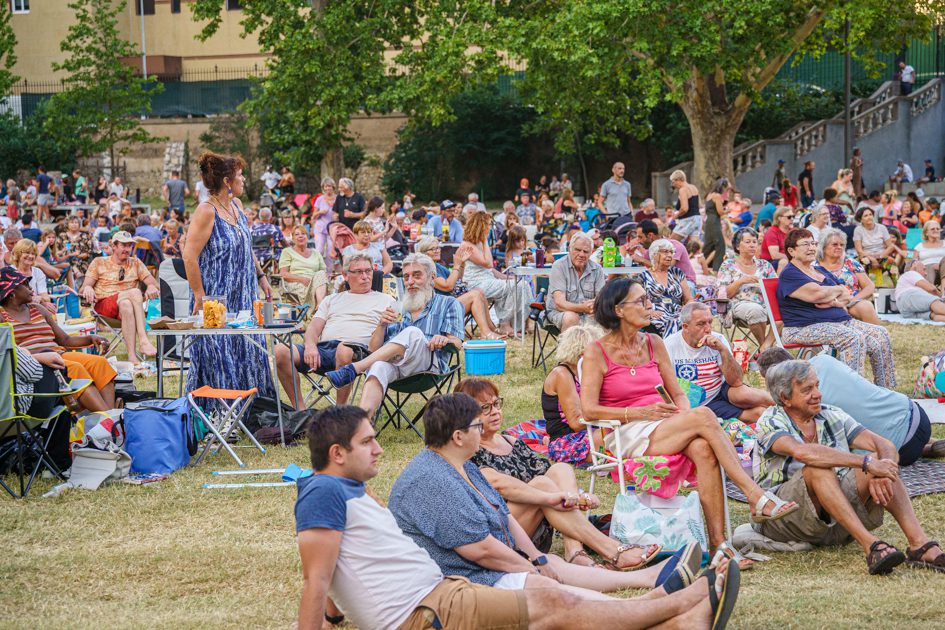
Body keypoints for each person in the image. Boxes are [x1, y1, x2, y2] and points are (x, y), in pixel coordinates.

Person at [295, 405, 734, 630]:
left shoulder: (348, 491)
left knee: (555, 605)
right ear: (338, 454)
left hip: (443, 593)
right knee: (553, 603)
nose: (379, 448)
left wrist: (336, 618)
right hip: (427, 610)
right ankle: (679, 605)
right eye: (368, 442)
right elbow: (316, 579)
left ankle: (669, 612)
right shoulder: (321, 492)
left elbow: (341, 570)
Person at [390, 393, 709, 601]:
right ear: (458, 436)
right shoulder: (431, 483)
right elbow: (483, 552)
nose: (484, 427)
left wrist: (539, 559)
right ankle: (648, 604)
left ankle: (648, 577)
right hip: (464, 584)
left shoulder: (458, 465)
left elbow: (503, 515)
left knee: (552, 563)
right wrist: (533, 569)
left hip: (487, 563)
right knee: (550, 591)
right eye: (477, 423)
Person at [581, 277, 798, 552]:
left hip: (663, 425)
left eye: (648, 300)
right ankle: (754, 495)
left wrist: (682, 412)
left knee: (703, 447)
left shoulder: (653, 343)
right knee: (705, 415)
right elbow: (587, 410)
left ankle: (719, 544)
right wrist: (638, 412)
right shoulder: (596, 352)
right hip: (624, 431)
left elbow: (679, 393)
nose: (650, 306)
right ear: (618, 310)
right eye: (642, 301)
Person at [753, 359, 945, 575]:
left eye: (817, 385)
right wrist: (867, 463)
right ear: (785, 398)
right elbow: (804, 453)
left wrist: (883, 469)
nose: (817, 393)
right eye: (807, 389)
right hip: (784, 518)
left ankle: (919, 545)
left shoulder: (830, 413)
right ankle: (870, 546)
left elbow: (884, 444)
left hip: (831, 514)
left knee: (879, 458)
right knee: (818, 466)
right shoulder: (769, 421)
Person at [456, 378, 664, 570]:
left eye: (496, 404)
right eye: (485, 408)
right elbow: (502, 486)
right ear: (466, 416)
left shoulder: (512, 441)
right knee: (541, 484)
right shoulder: (467, 452)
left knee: (560, 469)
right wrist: (564, 498)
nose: (494, 412)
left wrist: (577, 495)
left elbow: (553, 478)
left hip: (539, 526)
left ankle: (574, 550)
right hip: (502, 536)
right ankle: (611, 550)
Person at [182, 151, 275, 403]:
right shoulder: (206, 211)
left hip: (244, 291)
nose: (243, 180)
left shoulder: (237, 206)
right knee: (220, 355)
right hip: (217, 297)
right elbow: (189, 256)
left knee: (248, 348)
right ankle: (221, 411)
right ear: (226, 181)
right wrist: (199, 295)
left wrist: (261, 276)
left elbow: (247, 247)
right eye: (240, 175)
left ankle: (254, 407)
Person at [325, 254, 464, 417]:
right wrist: (381, 325)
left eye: (416, 275)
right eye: (406, 277)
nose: (410, 281)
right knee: (377, 366)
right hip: (398, 365)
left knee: (412, 332)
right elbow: (373, 349)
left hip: (429, 364)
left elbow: (457, 343)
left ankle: (355, 368)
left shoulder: (448, 303)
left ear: (432, 278)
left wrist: (445, 339)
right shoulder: (398, 306)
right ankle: (362, 423)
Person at [759, 348, 945, 466]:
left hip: (902, 449)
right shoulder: (824, 361)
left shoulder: (808, 401)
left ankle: (923, 448)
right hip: (914, 412)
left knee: (845, 441)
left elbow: (818, 450)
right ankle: (928, 443)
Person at [776, 228, 896, 387]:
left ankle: (885, 389)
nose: (811, 248)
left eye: (813, 243)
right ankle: (853, 391)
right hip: (802, 327)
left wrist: (833, 296)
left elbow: (846, 293)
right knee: (852, 337)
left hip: (839, 322)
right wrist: (834, 293)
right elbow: (816, 294)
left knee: (881, 334)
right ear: (791, 250)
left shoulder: (818, 269)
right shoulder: (790, 273)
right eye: (805, 244)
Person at [275, 253, 394, 408]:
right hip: (323, 350)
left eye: (368, 271)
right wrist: (311, 346)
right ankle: (300, 410)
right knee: (280, 351)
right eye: (358, 272)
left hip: (358, 352)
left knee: (343, 349)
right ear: (345, 275)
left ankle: (340, 411)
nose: (365, 276)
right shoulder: (332, 300)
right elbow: (313, 327)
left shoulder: (386, 300)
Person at [0, 267, 116, 411]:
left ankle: (111, 417)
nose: (31, 288)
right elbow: (10, 353)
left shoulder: (38, 309)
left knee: (100, 363)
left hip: (59, 354)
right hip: (36, 363)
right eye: (25, 284)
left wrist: (91, 338)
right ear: (11, 293)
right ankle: (109, 422)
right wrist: (37, 357)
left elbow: (65, 340)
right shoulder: (2, 316)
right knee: (74, 368)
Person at [665, 303, 774, 422]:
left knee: (743, 393)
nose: (708, 329)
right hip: (697, 403)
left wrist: (723, 350)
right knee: (760, 413)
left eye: (709, 322)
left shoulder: (719, 339)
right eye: (701, 324)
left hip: (721, 390)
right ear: (685, 327)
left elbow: (737, 381)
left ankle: (788, 405)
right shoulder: (669, 346)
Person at [81, 231, 159, 365]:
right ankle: (143, 340)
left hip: (128, 308)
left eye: (129, 246)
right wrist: (88, 288)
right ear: (114, 246)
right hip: (104, 307)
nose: (127, 249)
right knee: (135, 292)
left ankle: (132, 357)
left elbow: (154, 284)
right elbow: (84, 288)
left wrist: (152, 287)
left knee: (126, 304)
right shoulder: (99, 262)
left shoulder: (136, 263)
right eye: (124, 245)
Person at [414, 236, 503, 340]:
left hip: (448, 304)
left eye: (438, 248)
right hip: (438, 311)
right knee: (475, 295)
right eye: (433, 249)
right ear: (424, 253)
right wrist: (456, 264)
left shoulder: (438, 266)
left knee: (479, 291)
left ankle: (492, 329)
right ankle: (486, 333)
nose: (437, 251)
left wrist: (462, 264)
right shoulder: (426, 270)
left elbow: (456, 278)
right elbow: (448, 286)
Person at [460, 212, 531, 337]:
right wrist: (484, 240)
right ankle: (504, 324)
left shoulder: (479, 243)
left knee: (520, 284)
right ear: (480, 226)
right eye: (487, 225)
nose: (489, 227)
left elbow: (490, 271)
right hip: (475, 284)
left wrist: (507, 277)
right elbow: (488, 264)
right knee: (515, 287)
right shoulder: (467, 245)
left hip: (487, 280)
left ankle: (515, 325)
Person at [543, 324, 605, 466]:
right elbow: (576, 423)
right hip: (567, 440)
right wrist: (613, 412)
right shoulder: (562, 374)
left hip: (590, 430)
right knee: (613, 436)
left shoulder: (586, 372)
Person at [717, 228, 777, 351]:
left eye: (755, 242)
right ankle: (765, 350)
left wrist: (765, 285)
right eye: (748, 242)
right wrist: (741, 281)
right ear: (738, 246)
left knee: (786, 310)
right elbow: (723, 294)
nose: (752, 245)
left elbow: (776, 286)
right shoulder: (728, 265)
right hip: (738, 304)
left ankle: (766, 346)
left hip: (765, 304)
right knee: (755, 310)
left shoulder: (765, 265)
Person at [816, 228, 880, 325]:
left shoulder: (851, 263)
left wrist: (851, 300)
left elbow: (869, 286)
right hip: (826, 303)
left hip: (852, 302)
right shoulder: (813, 266)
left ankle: (878, 338)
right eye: (834, 244)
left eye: (842, 245)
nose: (839, 247)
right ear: (823, 247)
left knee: (866, 306)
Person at [544, 232, 605, 332]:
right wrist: (583, 308)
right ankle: (568, 348)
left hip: (588, 313)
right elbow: (559, 304)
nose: (581, 254)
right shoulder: (559, 266)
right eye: (577, 250)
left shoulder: (597, 269)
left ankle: (594, 347)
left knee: (607, 319)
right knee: (571, 318)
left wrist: (594, 305)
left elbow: (601, 299)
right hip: (559, 312)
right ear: (570, 249)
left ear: (591, 253)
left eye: (585, 251)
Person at [640, 239, 692, 337]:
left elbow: (689, 299)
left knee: (683, 321)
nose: (670, 255)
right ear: (655, 254)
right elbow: (639, 300)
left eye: (671, 252)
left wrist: (686, 308)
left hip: (677, 312)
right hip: (656, 313)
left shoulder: (677, 273)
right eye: (665, 252)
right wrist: (650, 311)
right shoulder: (644, 276)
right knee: (667, 321)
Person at [279, 225, 328, 311]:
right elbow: (284, 274)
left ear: (307, 237)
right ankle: (321, 307)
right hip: (296, 283)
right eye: (297, 234)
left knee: (321, 275)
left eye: (303, 233)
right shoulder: (287, 252)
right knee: (320, 286)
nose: (300, 236)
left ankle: (320, 305)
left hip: (316, 283)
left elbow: (323, 272)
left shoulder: (316, 253)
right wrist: (302, 279)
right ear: (293, 238)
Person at [853, 207, 899, 281]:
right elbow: (859, 250)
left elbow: (890, 246)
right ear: (861, 219)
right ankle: (866, 288)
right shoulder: (858, 230)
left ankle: (896, 288)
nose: (869, 217)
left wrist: (880, 256)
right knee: (861, 263)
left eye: (870, 214)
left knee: (891, 262)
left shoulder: (882, 228)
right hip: (866, 256)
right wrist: (873, 259)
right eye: (866, 216)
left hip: (881, 254)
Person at [10, 239, 54, 312]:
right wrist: (31, 299)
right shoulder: (10, 272)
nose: (30, 256)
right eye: (27, 252)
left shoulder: (37, 272)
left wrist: (40, 298)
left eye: (33, 253)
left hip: (34, 310)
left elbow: (45, 297)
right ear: (18, 253)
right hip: (14, 311)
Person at [701, 179, 728, 272]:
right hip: (714, 222)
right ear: (722, 187)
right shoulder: (717, 196)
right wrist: (728, 211)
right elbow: (720, 212)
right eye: (726, 189)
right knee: (720, 245)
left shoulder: (709, 195)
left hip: (709, 221)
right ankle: (717, 269)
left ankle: (701, 265)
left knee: (708, 245)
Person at [669, 171, 701, 242]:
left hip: (687, 219)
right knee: (694, 246)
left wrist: (676, 215)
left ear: (678, 180)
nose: (673, 185)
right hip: (697, 219)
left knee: (671, 242)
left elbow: (684, 208)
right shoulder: (694, 187)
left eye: (673, 182)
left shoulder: (683, 190)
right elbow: (699, 204)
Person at [914, 220, 945, 290]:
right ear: (926, 233)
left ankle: (943, 292)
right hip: (926, 270)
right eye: (932, 229)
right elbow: (913, 263)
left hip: (943, 268)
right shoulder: (919, 246)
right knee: (929, 267)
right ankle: (931, 291)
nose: (936, 230)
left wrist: (940, 265)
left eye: (937, 229)